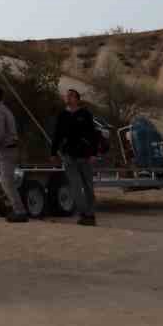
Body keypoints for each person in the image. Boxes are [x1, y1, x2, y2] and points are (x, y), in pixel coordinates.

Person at [51, 87, 97, 225]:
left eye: (71, 95)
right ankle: (83, 213)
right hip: (69, 156)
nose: (68, 97)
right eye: (67, 95)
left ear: (77, 99)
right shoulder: (62, 115)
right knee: (75, 187)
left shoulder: (85, 114)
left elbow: (92, 134)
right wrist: (53, 153)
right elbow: (57, 135)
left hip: (84, 155)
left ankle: (91, 214)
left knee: (88, 186)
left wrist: (94, 153)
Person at [0, 85, 27, 221]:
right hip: (9, 149)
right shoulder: (4, 110)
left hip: (7, 150)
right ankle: (18, 210)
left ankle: (19, 212)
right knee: (7, 183)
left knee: (7, 183)